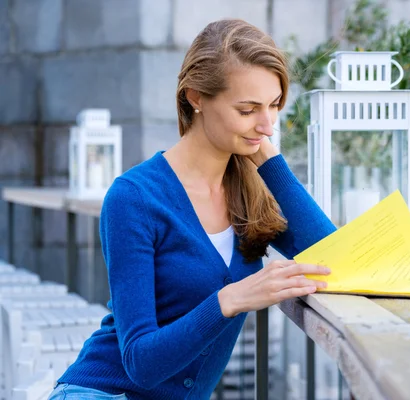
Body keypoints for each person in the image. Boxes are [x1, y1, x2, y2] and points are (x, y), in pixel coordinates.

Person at [49, 18, 335, 400]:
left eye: (274, 106)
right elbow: (141, 363)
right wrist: (231, 299)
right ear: (196, 97)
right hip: (104, 392)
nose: (267, 125)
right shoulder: (134, 198)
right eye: (248, 109)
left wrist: (271, 163)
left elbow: (330, 256)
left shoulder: (252, 192)